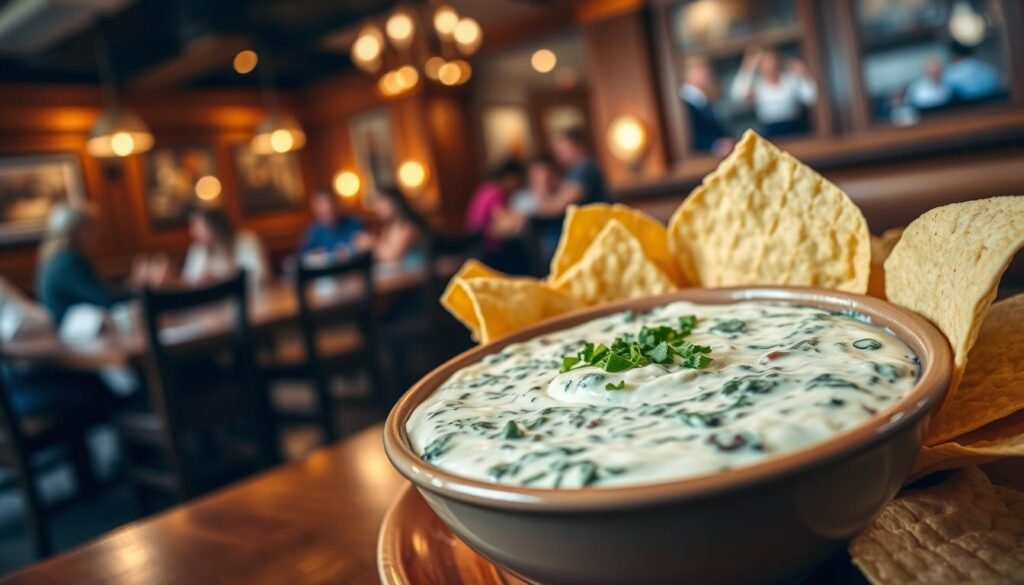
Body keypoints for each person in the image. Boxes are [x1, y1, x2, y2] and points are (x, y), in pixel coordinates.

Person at [36, 203, 142, 325]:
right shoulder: (69, 262)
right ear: (78, 231)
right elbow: (106, 299)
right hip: (77, 338)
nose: (99, 233)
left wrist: (133, 283)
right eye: (93, 226)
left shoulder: (55, 259)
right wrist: (140, 286)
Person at [533, 128, 608, 262]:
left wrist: (540, 193)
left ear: (573, 145)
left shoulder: (584, 168)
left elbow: (558, 206)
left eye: (561, 149)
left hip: (590, 237)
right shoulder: (576, 170)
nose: (558, 155)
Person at [731, 47, 817, 138]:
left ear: (778, 61)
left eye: (772, 61)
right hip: (771, 132)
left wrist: (804, 75)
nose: (770, 65)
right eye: (765, 62)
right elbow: (738, 96)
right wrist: (748, 68)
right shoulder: (758, 85)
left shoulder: (791, 79)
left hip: (796, 128)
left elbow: (811, 97)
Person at [465, 160, 531, 274]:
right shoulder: (495, 191)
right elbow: (503, 221)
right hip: (488, 251)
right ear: (510, 177)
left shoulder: (485, 189)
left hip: (476, 249)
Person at [182, 207, 269, 285]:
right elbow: (189, 282)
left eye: (199, 228)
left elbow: (260, 276)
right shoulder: (197, 249)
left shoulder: (246, 241)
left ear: (216, 227)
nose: (193, 233)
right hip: (213, 301)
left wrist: (220, 280)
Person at [680, 56, 735, 155]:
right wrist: (714, 145)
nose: (707, 73)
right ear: (688, 73)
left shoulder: (704, 98)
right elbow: (689, 136)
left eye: (707, 69)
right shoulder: (682, 103)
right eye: (700, 69)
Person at [297, 190, 374, 259]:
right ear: (316, 210)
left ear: (337, 205)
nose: (328, 214)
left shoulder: (355, 223)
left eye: (331, 209)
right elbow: (301, 256)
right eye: (324, 212)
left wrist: (366, 243)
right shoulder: (314, 231)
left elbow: (369, 244)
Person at [372, 189, 426, 268]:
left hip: (415, 273)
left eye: (382, 203)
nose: (378, 208)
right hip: (398, 273)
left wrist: (372, 243)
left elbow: (392, 257)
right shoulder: (388, 228)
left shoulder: (409, 227)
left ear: (395, 204)